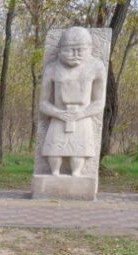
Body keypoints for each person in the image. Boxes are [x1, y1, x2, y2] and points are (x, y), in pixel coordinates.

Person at [39, 26, 106, 177]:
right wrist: (58, 114)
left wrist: (81, 114)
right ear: (60, 49)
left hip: (82, 117)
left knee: (79, 149)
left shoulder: (96, 67)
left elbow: (99, 101)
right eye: (70, 50)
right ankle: (54, 173)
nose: (75, 54)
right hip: (58, 118)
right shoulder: (52, 68)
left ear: (89, 49)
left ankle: (77, 172)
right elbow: (43, 103)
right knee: (54, 149)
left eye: (80, 50)